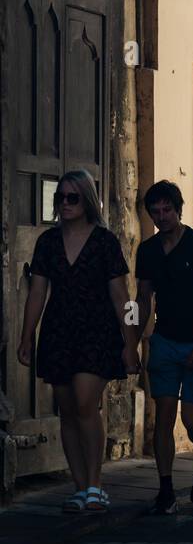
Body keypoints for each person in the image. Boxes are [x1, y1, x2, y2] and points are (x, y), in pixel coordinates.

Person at [17, 170, 138, 513]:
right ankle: (80, 486)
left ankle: (97, 485)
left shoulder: (104, 242)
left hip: (97, 332)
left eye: (73, 198)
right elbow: (37, 293)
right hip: (58, 331)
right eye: (61, 198)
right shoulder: (48, 242)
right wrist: (27, 335)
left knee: (86, 403)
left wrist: (130, 342)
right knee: (67, 410)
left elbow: (123, 298)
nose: (65, 204)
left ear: (87, 201)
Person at [135, 181, 193, 515]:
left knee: (191, 420)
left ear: (178, 208)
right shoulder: (148, 251)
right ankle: (166, 488)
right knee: (164, 418)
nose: (162, 217)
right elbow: (142, 300)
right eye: (155, 212)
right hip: (164, 342)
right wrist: (132, 342)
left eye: (167, 210)